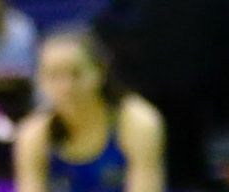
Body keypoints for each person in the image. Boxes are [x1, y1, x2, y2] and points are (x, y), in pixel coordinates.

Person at [14, 30, 163, 192]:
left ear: (100, 72)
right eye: (54, 75)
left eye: (76, 74)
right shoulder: (33, 133)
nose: (66, 87)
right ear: (40, 80)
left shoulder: (137, 121)